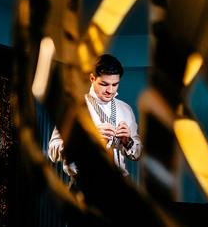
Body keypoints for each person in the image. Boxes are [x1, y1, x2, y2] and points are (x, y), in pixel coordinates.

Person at [48, 54, 143, 184]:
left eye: (115, 84)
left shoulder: (125, 109)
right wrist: (85, 140)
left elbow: (137, 154)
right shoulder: (74, 107)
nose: (110, 90)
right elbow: (53, 152)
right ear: (92, 78)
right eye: (104, 84)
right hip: (84, 186)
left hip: (119, 187)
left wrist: (128, 142)